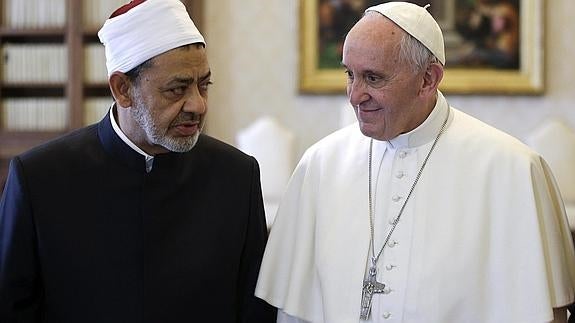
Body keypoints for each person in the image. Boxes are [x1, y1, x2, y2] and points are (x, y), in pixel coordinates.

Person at [256, 2, 575, 322]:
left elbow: (544, 312)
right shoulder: (320, 165)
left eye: (373, 78)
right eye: (349, 74)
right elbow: (292, 312)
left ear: (428, 79)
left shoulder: (513, 170)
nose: (354, 95)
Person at [0, 0, 276, 322]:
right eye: (177, 89)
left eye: (204, 85)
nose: (198, 105)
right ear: (122, 89)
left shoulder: (236, 177)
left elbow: (255, 312)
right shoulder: (39, 179)